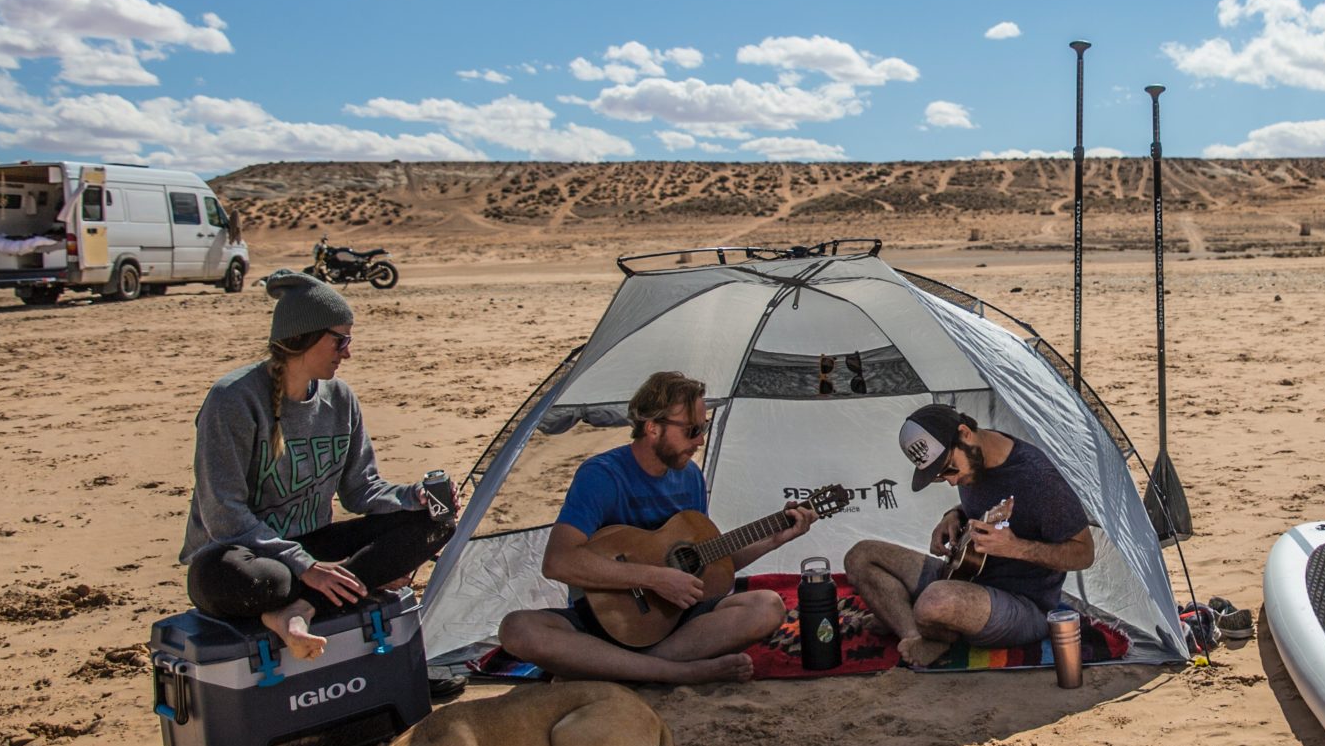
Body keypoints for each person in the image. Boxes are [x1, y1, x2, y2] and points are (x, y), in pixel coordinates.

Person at [183, 269, 453, 660]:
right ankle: (341, 584)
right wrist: (308, 567)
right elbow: (223, 517)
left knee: (433, 524)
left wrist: (413, 497)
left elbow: (361, 489)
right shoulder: (233, 400)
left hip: (311, 543)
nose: (348, 352)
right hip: (239, 556)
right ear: (302, 338)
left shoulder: (340, 399)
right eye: (340, 340)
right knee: (266, 583)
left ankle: (301, 609)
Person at [495, 371, 808, 685]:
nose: (700, 440)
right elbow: (559, 561)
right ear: (653, 428)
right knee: (517, 628)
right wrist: (655, 578)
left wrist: (773, 539)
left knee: (767, 606)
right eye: (692, 430)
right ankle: (676, 672)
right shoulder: (601, 476)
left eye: (704, 428)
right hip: (603, 623)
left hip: (673, 626)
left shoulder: (690, 478)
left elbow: (706, 562)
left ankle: (621, 670)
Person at [843, 404, 1093, 666]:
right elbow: (990, 503)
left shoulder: (1041, 480)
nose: (950, 481)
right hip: (964, 574)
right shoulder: (976, 458)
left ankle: (913, 620)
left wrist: (1015, 548)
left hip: (1024, 605)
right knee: (861, 556)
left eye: (949, 469)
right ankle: (916, 635)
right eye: (939, 475)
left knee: (934, 602)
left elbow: (1084, 553)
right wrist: (953, 515)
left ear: (965, 433)